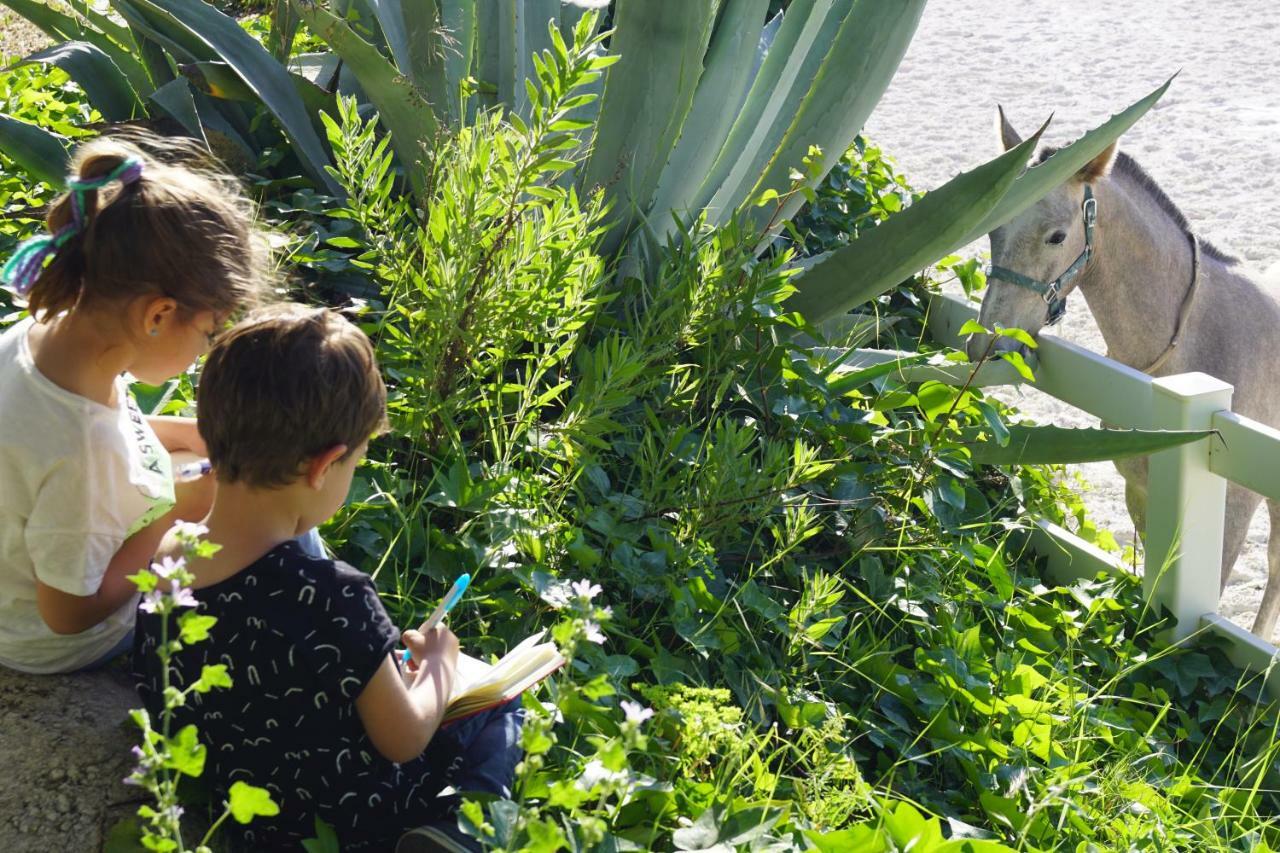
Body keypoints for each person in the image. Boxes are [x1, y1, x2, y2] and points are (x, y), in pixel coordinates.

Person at [132, 304, 523, 852]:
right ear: (324, 466)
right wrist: (438, 667)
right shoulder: (335, 594)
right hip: (352, 817)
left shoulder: (168, 556)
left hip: (244, 807)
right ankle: (455, 832)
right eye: (357, 462)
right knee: (501, 710)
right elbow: (404, 738)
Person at [0, 135, 268, 674]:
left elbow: (66, 438)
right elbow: (69, 614)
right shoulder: (82, 451)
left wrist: (177, 433)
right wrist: (171, 511)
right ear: (158, 315)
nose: (203, 352)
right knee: (252, 530)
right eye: (209, 333)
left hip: (23, 573)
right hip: (55, 642)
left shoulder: (44, 337)